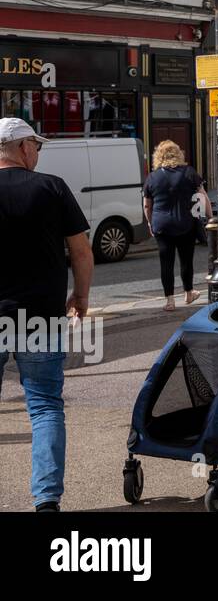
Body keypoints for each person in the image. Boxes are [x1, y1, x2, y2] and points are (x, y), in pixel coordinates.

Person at [0, 118, 93, 512]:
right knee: (44, 407)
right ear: (22, 148)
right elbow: (81, 251)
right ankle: (46, 500)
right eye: (36, 145)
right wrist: (81, 295)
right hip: (40, 315)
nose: (38, 152)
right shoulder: (51, 187)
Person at [142, 140, 209, 310]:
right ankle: (189, 293)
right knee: (186, 260)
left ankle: (170, 301)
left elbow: (147, 205)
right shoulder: (189, 173)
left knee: (166, 262)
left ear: (158, 156)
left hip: (162, 225)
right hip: (186, 223)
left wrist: (150, 222)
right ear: (178, 154)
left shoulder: (152, 177)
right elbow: (202, 196)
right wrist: (211, 217)